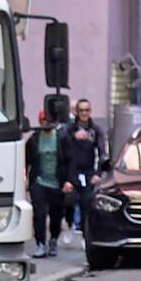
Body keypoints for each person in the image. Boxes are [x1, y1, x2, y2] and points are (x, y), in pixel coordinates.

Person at [60, 98, 109, 237]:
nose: (84, 113)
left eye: (86, 110)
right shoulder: (69, 128)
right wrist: (72, 137)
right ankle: (69, 224)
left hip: (88, 171)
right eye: (81, 110)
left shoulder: (95, 129)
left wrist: (98, 173)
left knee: (86, 203)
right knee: (69, 201)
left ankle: (84, 233)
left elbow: (102, 152)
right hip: (72, 171)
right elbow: (61, 145)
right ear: (76, 111)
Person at [26, 109, 66, 258]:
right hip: (39, 181)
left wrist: (69, 181)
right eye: (43, 120)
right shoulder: (34, 140)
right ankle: (40, 243)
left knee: (56, 214)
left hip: (57, 182)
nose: (46, 123)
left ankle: (53, 239)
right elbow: (27, 161)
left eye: (48, 121)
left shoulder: (61, 139)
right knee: (39, 214)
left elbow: (69, 160)